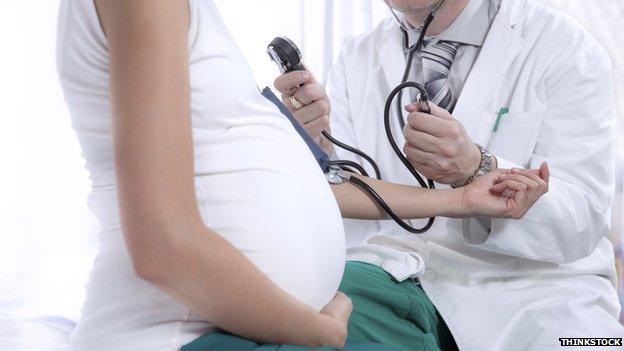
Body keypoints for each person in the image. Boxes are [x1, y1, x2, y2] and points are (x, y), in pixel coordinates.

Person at [56, 0, 547, 350]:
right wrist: (319, 329)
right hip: (200, 330)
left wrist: (463, 196)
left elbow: (300, 184)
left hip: (253, 319)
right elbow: (164, 244)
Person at [274, 0, 624, 350]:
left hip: (535, 293)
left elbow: (583, 223)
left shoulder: (564, 46)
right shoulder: (356, 58)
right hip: (396, 276)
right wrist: (321, 151)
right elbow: (353, 213)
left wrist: (477, 166)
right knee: (270, 331)